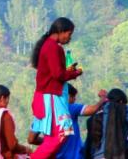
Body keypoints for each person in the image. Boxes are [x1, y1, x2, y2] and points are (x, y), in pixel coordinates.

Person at [30, 17, 83, 159]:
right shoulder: (53, 47)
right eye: (69, 34)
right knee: (62, 132)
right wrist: (74, 73)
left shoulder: (48, 46)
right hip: (52, 96)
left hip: (50, 95)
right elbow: (58, 74)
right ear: (61, 31)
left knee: (53, 136)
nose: (69, 38)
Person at [83, 89, 128, 159]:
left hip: (96, 157)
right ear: (121, 101)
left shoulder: (93, 116)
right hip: (116, 156)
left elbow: (87, 146)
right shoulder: (121, 108)